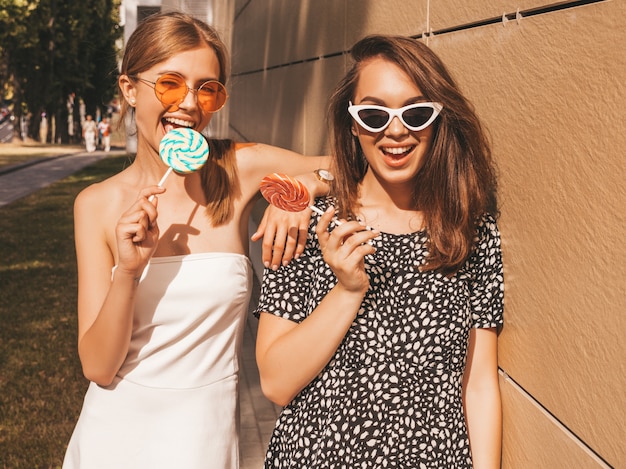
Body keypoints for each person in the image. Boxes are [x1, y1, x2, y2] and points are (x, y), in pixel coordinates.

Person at [62, 11, 328, 469]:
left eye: (208, 88)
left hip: (206, 440)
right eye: (170, 83)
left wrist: (302, 192)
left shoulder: (237, 170)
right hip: (115, 440)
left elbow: (360, 167)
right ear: (130, 89)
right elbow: (99, 367)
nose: (190, 103)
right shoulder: (96, 204)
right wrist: (127, 271)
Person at [255, 34, 504, 468]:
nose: (395, 130)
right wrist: (346, 291)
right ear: (352, 123)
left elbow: (479, 384)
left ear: (438, 119)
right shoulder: (306, 222)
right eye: (373, 114)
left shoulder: (470, 230)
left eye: (415, 112)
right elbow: (276, 383)